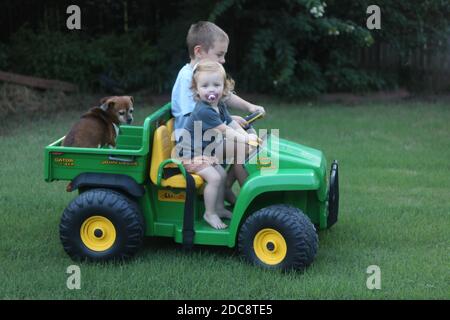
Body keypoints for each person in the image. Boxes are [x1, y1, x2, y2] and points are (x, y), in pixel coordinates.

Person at [171, 21, 265, 204]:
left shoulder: (205, 77)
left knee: (249, 136)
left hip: (207, 137)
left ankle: (227, 188)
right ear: (199, 52)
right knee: (246, 148)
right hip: (194, 145)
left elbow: (226, 96)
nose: (223, 60)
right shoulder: (187, 78)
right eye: (219, 55)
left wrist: (249, 108)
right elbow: (198, 117)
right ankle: (254, 204)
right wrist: (229, 122)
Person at [177, 61, 259, 229]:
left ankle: (219, 208)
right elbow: (226, 131)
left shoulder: (219, 105)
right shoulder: (204, 110)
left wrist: (247, 136)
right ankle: (210, 214)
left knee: (221, 174)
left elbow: (232, 124)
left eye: (216, 84)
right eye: (205, 86)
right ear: (196, 89)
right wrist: (245, 140)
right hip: (190, 155)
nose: (211, 90)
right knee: (214, 178)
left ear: (224, 87)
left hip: (205, 153)